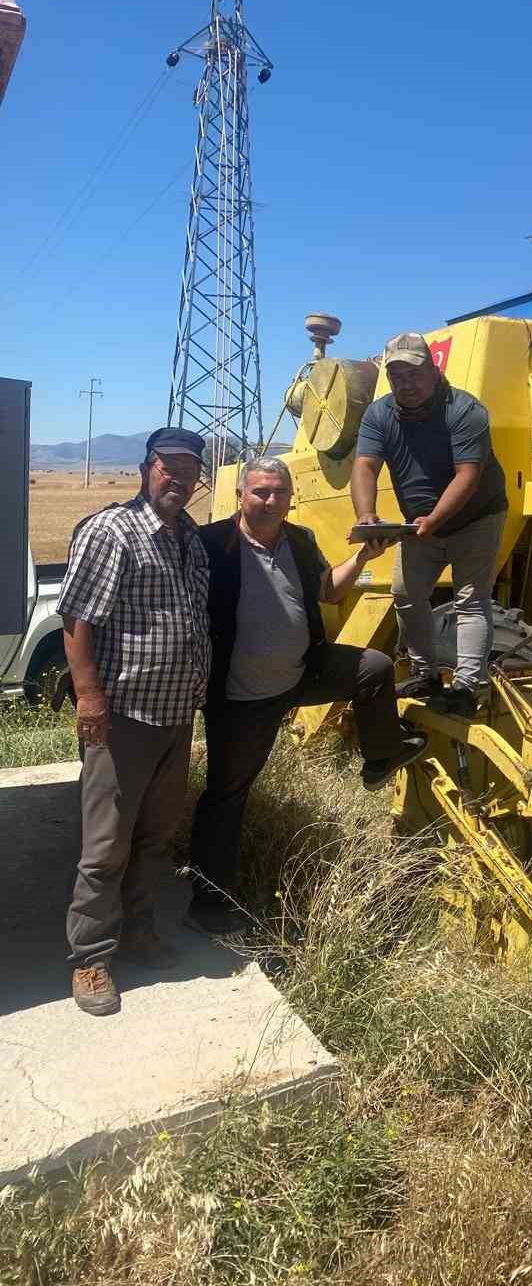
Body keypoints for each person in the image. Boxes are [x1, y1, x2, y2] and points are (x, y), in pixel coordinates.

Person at [187, 456, 425, 938]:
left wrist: (362, 559)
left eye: (278, 492)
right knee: (226, 796)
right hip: (241, 697)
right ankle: (208, 902)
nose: (269, 500)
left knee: (373, 668)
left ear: (290, 497)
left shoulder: (299, 540)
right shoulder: (211, 543)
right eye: (260, 492)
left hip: (300, 673)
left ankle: (380, 758)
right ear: (241, 495)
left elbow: (328, 592)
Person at [59, 427, 212, 1018]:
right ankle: (91, 957)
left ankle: (139, 932)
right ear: (147, 468)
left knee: (155, 837)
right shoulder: (113, 531)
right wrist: (89, 696)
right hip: (123, 716)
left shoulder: (190, 539)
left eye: (188, 468)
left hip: (175, 717)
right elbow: (77, 621)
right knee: (105, 846)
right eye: (167, 466)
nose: (178, 477)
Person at [351, 333, 507, 718]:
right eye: (397, 374)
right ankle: (425, 673)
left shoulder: (465, 411)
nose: (406, 383)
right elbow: (364, 466)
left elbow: (468, 475)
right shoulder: (379, 414)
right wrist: (366, 515)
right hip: (419, 526)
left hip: (476, 517)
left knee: (471, 600)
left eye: (414, 373)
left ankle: (469, 686)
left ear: (434, 371)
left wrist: (435, 520)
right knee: (406, 593)